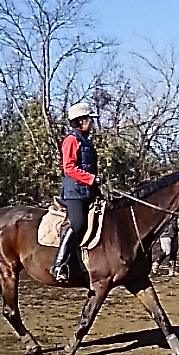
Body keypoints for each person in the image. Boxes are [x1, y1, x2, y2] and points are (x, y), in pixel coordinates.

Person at [50, 102, 100, 282]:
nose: (92, 122)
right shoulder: (71, 140)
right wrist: (91, 179)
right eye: (89, 119)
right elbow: (69, 167)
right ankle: (59, 264)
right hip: (75, 192)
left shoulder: (86, 141)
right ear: (80, 121)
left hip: (88, 191)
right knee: (78, 224)